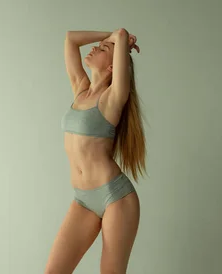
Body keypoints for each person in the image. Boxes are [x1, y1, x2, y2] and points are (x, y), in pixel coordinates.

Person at [44, 28, 147, 274]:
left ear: (113, 67)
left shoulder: (113, 97)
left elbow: (121, 34)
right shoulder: (81, 89)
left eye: (103, 49)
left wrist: (119, 40)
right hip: (83, 200)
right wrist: (109, 37)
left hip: (116, 198)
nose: (94, 48)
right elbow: (70, 38)